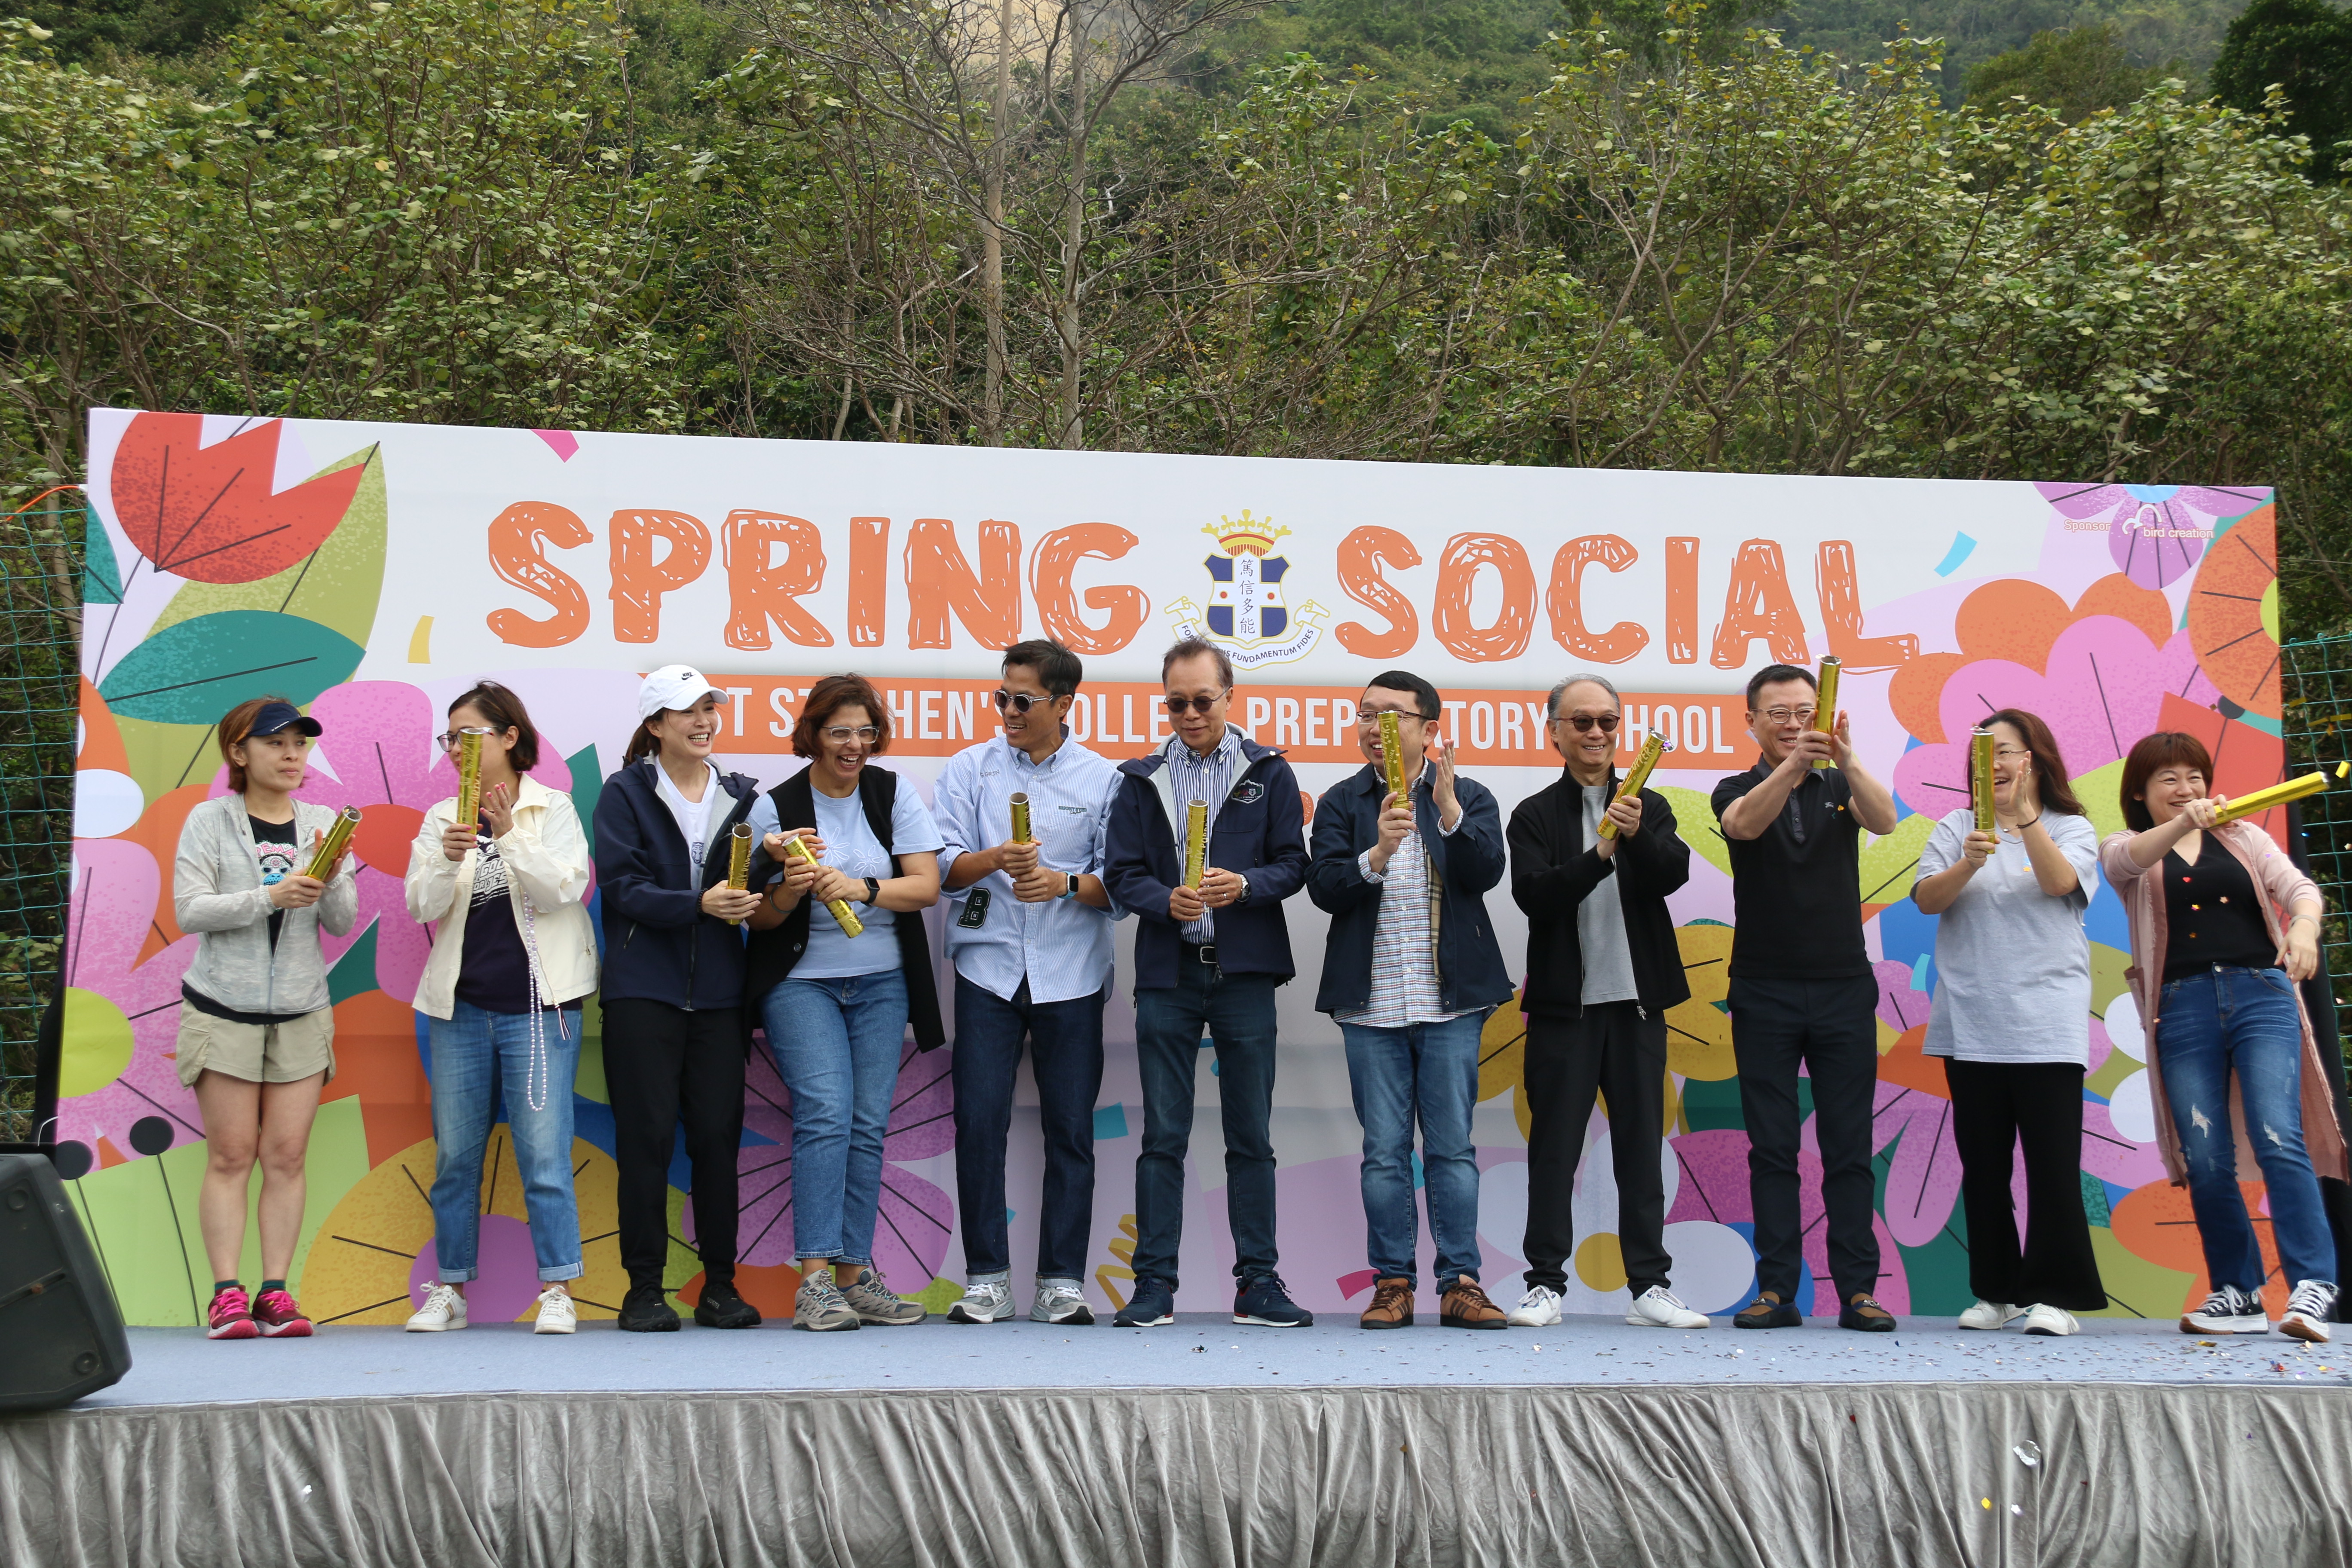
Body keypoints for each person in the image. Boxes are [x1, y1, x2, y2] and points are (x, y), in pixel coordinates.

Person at [2100, 732, 2343, 1342]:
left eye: (2195, 777)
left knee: (2278, 1135)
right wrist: (2185, 822)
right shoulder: (2127, 848)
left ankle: (2313, 1284)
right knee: (2205, 1156)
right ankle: (2238, 1292)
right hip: (2181, 1006)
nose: (2187, 789)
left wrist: (2304, 928)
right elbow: (2126, 864)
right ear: (2140, 792)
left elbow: (2300, 890)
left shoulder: (2244, 837)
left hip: (2261, 993)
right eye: (2169, 779)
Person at [1104, 637, 1312, 1328]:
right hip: (1169, 975)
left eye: (1202, 700)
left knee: (1251, 1136)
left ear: (1229, 696)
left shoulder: (1268, 770)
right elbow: (1121, 873)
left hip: (1244, 975)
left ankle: (1258, 1283)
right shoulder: (1142, 777)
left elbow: (1295, 864)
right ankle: (1153, 1286)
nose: (1190, 714)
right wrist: (1163, 899)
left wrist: (1245, 886)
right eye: (1177, 703)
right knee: (1163, 1136)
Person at [1308, 670, 1515, 1330]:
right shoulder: (1343, 801)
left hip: (1450, 1005)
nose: (1375, 727)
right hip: (1372, 1007)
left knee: (1452, 1149)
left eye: (1392, 715)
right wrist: (1378, 852)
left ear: (1429, 729)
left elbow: (1486, 873)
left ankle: (1460, 1283)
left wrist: (1449, 815)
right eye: (1366, 713)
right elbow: (1324, 887)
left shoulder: (1469, 795)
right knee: (1384, 1153)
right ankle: (1393, 1283)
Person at [931, 640, 1124, 1326]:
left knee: (1071, 1131)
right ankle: (987, 1279)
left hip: (1071, 975)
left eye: (1023, 701)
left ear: (1064, 704)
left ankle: (1061, 1283)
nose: (1009, 712)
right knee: (979, 1124)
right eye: (1002, 698)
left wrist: (1063, 884)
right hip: (986, 970)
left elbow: (1121, 886)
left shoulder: (1105, 780)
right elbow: (941, 869)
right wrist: (994, 860)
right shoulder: (969, 769)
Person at [744, 674, 944, 1332]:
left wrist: (861, 888)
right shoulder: (775, 808)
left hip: (883, 981)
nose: (854, 744)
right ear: (813, 736)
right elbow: (759, 919)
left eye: (865, 731)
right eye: (839, 732)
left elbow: (926, 887)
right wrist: (790, 888)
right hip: (801, 984)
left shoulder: (891, 792)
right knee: (826, 1113)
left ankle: (855, 1277)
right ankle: (815, 1283)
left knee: (867, 1123)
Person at [1505, 674, 1704, 1331]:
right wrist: (1601, 853)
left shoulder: (1650, 804)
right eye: (1582, 721)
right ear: (1555, 731)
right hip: (1566, 1010)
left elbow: (1671, 874)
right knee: (1554, 1151)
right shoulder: (1534, 814)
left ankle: (1649, 1286)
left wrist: (1637, 833)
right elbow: (1536, 896)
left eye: (1608, 722)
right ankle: (1544, 1284)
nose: (1596, 733)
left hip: (1638, 1006)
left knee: (1641, 1151)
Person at [402, 683, 599, 1336]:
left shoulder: (553, 807)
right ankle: (451, 1288)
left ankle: (558, 1288)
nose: (455, 748)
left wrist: (510, 833)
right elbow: (421, 905)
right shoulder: (440, 817)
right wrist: (445, 859)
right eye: (449, 738)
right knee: (456, 1158)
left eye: (469, 736)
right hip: (460, 1010)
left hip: (539, 1009)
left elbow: (563, 890)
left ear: (510, 737)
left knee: (544, 1155)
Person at [1713, 663, 1902, 1332]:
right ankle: (1777, 1290)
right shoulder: (1737, 787)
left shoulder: (1840, 784)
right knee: (1773, 1148)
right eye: (1779, 714)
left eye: (1805, 712)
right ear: (1752, 722)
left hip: (1843, 987)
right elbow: (1743, 827)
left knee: (1849, 1146)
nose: (1794, 725)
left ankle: (1858, 1291)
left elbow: (1886, 822)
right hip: (1762, 989)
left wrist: (1844, 759)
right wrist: (1794, 766)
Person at [1910, 708, 2106, 1337]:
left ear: (2035, 759)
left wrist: (2024, 820)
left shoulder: (2072, 827)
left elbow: (2059, 883)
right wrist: (1968, 862)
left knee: (2052, 1166)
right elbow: (1927, 900)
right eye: (1982, 752)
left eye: (2006, 751)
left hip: (2046, 1024)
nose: (1993, 763)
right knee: (1985, 1167)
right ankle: (1995, 1292)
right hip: (1970, 1022)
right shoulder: (1956, 826)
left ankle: (2052, 1296)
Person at [175, 697, 358, 1340]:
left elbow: (341, 922)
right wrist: (270, 897)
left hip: (302, 1011)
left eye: (300, 744)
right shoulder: (209, 820)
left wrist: (333, 875)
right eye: (275, 743)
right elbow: (190, 909)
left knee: (286, 1155)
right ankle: (226, 1295)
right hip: (222, 1008)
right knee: (231, 1155)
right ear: (239, 752)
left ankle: (276, 1294)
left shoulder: (323, 822)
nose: (291, 755)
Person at [592, 665, 765, 1333]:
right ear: (655, 724)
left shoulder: (741, 795)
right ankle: (643, 1291)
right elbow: (622, 887)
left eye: (709, 709)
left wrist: (779, 857)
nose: (703, 721)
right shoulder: (625, 793)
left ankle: (720, 1287)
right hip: (643, 993)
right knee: (647, 1142)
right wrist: (699, 904)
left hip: (721, 996)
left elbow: (755, 881)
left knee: (718, 1142)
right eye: (687, 711)